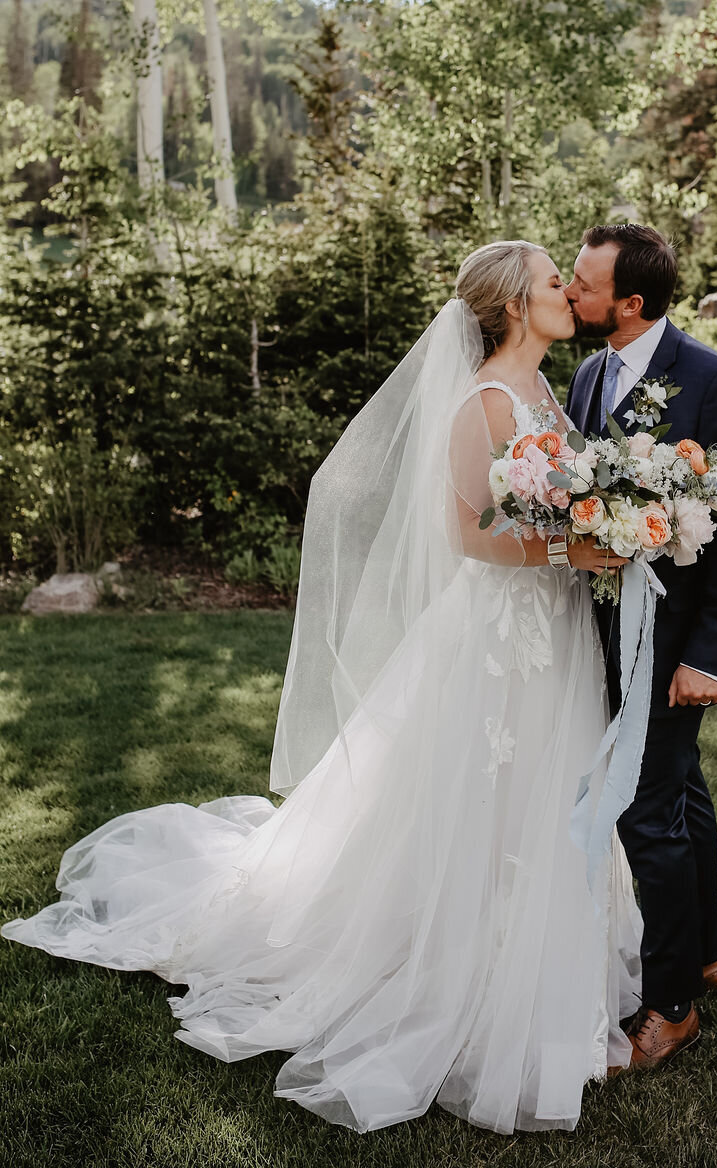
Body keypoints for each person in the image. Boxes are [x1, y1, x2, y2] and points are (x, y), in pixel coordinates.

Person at [3, 240, 644, 1136]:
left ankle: (548, 971)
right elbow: (467, 535)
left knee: (551, 793)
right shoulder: (486, 401)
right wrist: (569, 546)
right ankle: (461, 973)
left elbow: (558, 501)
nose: (564, 294)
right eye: (549, 283)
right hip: (501, 635)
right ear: (510, 306)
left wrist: (600, 526)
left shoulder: (545, 392)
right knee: (487, 798)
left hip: (555, 628)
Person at [564, 224, 717, 1071]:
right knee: (682, 789)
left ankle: (672, 1003)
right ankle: (707, 953)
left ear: (630, 303)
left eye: (583, 284)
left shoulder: (712, 381)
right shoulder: (586, 374)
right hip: (601, 630)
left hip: (677, 641)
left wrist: (711, 655)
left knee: (648, 809)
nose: (571, 294)